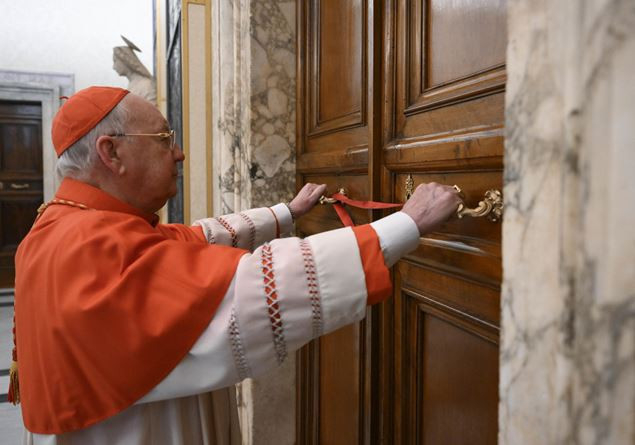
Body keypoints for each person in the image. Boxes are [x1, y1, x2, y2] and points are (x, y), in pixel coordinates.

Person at [11, 86, 461, 444]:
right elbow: (244, 291)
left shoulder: (71, 223)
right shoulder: (87, 246)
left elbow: (189, 240)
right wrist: (406, 225)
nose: (179, 153)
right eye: (165, 139)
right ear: (111, 153)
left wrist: (285, 213)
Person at [112, 36, 156, 104]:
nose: (114, 67)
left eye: (115, 61)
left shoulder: (146, 85)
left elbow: (152, 108)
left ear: (125, 61)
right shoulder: (132, 85)